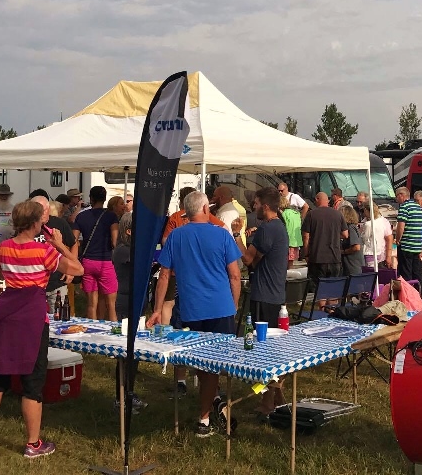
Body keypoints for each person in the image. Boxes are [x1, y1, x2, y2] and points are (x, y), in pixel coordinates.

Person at [0, 199, 84, 457]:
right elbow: (78, 269)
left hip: (7, 316)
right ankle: (33, 444)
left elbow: (1, 275)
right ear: (36, 224)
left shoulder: (4, 248)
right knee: (32, 382)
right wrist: (59, 245)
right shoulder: (43, 252)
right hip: (32, 320)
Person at [147, 191, 241, 438]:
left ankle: (211, 403)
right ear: (205, 209)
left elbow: (164, 275)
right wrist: (235, 304)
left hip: (192, 308)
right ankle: (206, 415)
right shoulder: (221, 235)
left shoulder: (176, 236)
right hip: (220, 307)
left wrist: (157, 309)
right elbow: (235, 275)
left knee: (202, 362)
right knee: (218, 362)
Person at [231, 186, 289, 414]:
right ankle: (279, 398)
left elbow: (247, 259)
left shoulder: (267, 229)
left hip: (264, 295)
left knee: (264, 352)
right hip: (275, 294)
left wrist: (237, 235)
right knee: (273, 350)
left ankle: (266, 403)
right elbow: (257, 259)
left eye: (255, 204)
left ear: (265, 206)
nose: (252, 208)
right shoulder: (278, 227)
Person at [112, 212, 147, 413]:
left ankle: (129, 394)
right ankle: (121, 397)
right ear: (129, 231)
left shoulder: (132, 250)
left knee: (134, 355)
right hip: (126, 303)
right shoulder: (124, 251)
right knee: (126, 354)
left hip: (137, 302)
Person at [72, 188, 121, 321]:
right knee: (111, 305)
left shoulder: (81, 216)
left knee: (91, 305)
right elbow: (115, 241)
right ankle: (114, 338)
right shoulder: (111, 216)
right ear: (105, 199)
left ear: (91, 198)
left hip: (88, 261)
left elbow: (73, 239)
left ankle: (92, 333)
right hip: (105, 261)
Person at [31, 196, 77, 306]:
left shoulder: (59, 223)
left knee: (59, 319)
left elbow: (74, 243)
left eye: (43, 210)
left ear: (49, 209)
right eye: (37, 210)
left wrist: (70, 270)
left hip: (57, 283)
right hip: (33, 285)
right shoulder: (27, 226)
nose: (41, 214)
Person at [301, 192, 349, 293]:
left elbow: (306, 236)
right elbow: (345, 234)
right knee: (333, 288)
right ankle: (331, 308)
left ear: (317, 199)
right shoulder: (338, 214)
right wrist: (333, 235)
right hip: (334, 257)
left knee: (319, 289)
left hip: (317, 257)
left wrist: (306, 253)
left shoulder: (311, 214)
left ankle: (322, 308)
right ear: (327, 200)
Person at [395, 187, 422, 285]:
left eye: (397, 196)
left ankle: (407, 296)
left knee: (406, 273)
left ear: (401, 195)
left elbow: (401, 227)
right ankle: (418, 294)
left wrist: (397, 240)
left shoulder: (404, 207)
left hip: (406, 246)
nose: (396, 199)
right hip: (417, 246)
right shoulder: (419, 208)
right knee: (416, 272)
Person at [361, 204, 395, 270]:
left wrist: (388, 256)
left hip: (370, 253)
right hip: (379, 253)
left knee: (370, 274)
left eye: (364, 210)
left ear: (367, 211)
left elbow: (364, 239)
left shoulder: (369, 224)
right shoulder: (380, 222)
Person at [340, 204, 363, 277]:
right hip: (350, 266)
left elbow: (356, 247)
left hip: (353, 266)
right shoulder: (350, 228)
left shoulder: (351, 228)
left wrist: (343, 252)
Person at [280, 194, 303, 261]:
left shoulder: (284, 214)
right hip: (296, 242)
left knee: (285, 262)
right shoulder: (297, 214)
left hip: (288, 242)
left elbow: (283, 227)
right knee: (291, 262)